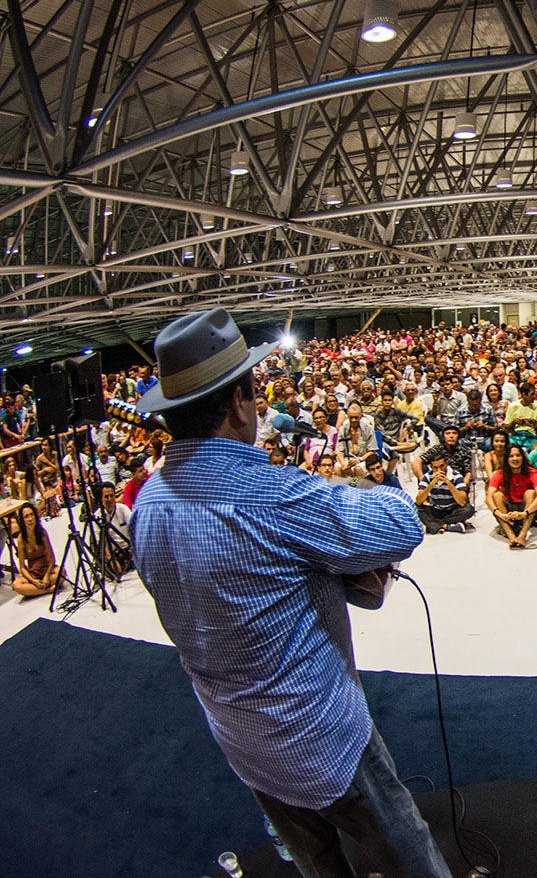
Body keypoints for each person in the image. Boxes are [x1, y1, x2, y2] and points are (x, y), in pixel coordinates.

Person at [129, 308, 452, 878]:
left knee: (317, 866)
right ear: (237, 402)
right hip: (319, 736)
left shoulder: (147, 504)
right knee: (408, 857)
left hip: (239, 736)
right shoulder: (275, 495)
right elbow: (403, 524)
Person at [487, 443, 537, 549]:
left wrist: (524, 513)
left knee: (530, 493)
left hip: (527, 511)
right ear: (507, 459)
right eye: (511, 456)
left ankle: (522, 535)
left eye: (518, 455)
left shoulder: (533, 472)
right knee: (497, 495)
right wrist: (499, 514)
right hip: (507, 512)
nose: (515, 459)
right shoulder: (500, 473)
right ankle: (511, 536)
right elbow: (489, 497)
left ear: (523, 457)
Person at [413, 452, 474, 534]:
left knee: (468, 509)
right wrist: (431, 484)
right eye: (435, 468)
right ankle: (448, 526)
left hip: (453, 509)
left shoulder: (456, 476)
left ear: (447, 463)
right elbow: (419, 501)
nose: (439, 470)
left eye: (442, 466)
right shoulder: (427, 477)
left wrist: (448, 482)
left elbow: (462, 502)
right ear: (431, 467)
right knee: (416, 508)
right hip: (436, 509)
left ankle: (435, 525)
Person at [12, 501, 62, 598]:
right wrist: (33, 581)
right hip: (33, 573)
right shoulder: (21, 539)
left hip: (47, 569)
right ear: (22, 520)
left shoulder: (42, 532)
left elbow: (52, 558)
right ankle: (47, 590)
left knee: (61, 572)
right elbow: (22, 568)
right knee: (16, 585)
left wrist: (47, 576)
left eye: (32, 515)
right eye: (26, 517)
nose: (30, 519)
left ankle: (35, 590)